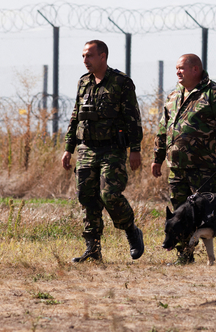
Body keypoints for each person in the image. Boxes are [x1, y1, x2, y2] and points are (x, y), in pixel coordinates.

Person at [152, 54, 216, 264]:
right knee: (180, 215)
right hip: (177, 166)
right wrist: (157, 157)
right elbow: (163, 129)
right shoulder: (173, 96)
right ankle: (185, 255)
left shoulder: (215, 93)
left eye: (181, 68)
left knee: (209, 215)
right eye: (176, 68)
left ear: (195, 69)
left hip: (205, 166)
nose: (177, 72)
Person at [61, 39, 145, 263]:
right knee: (87, 198)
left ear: (103, 56)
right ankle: (93, 248)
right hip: (87, 149)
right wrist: (68, 148)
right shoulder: (83, 82)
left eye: (89, 56)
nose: (85, 60)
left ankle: (131, 230)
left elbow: (133, 118)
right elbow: (75, 116)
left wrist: (134, 149)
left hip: (112, 149)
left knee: (109, 195)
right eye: (83, 56)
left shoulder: (120, 82)